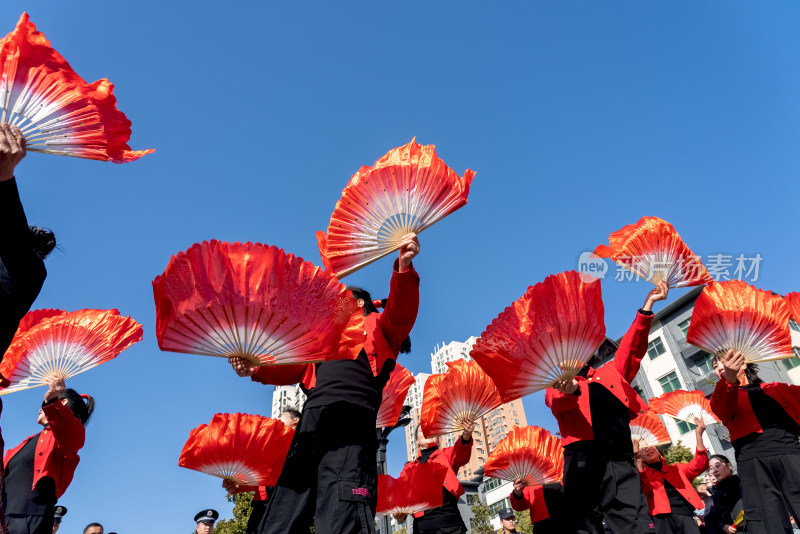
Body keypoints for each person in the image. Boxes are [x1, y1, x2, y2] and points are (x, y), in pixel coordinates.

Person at [227, 234, 420, 534]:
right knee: (282, 514)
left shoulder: (381, 328)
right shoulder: (321, 341)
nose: (341, 306)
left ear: (364, 305)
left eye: (348, 300)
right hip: (312, 422)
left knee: (341, 517)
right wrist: (256, 366)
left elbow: (401, 312)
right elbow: (291, 367)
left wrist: (403, 268)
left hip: (352, 423)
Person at [544, 281, 669, 534]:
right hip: (581, 461)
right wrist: (568, 391)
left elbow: (632, 348)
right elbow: (555, 402)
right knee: (584, 525)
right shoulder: (557, 384)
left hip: (618, 459)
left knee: (633, 523)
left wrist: (647, 307)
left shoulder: (610, 373)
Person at [710, 349, 800, 533]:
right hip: (752, 460)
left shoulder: (777, 388)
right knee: (768, 519)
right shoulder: (722, 395)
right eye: (715, 365)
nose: (720, 366)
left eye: (724, 361)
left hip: (791, 453)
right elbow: (721, 408)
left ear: (745, 361)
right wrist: (729, 377)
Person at [2, 377, 93, 534]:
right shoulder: (24, 444)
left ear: (62, 403)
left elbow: (69, 431)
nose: (40, 408)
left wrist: (51, 400)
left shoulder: (68, 438)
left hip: (33, 518)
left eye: (44, 405)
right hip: (4, 519)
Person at [221, 408, 302, 534]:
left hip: (287, 507)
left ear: (295, 422)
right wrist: (237, 484)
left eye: (281, 420)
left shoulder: (303, 448)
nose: (276, 423)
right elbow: (256, 475)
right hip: (261, 508)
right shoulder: (270, 447)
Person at [392, 422, 474, 534]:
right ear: (416, 441)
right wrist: (399, 515)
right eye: (422, 430)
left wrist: (466, 436)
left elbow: (460, 453)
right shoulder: (409, 468)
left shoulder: (446, 455)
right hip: (422, 528)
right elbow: (401, 499)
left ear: (439, 439)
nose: (427, 432)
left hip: (451, 525)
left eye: (431, 430)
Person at [635, 417, 709, 534]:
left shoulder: (678, 469)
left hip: (685, 515)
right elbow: (643, 491)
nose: (647, 448)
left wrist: (699, 434)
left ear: (658, 447)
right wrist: (638, 462)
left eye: (649, 445)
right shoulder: (642, 475)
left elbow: (700, 464)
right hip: (660, 521)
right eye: (642, 448)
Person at [703, 455, 741, 534]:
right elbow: (718, 519)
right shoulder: (717, 493)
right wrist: (724, 526)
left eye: (717, 466)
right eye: (711, 468)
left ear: (729, 466)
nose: (714, 470)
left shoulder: (742, 484)